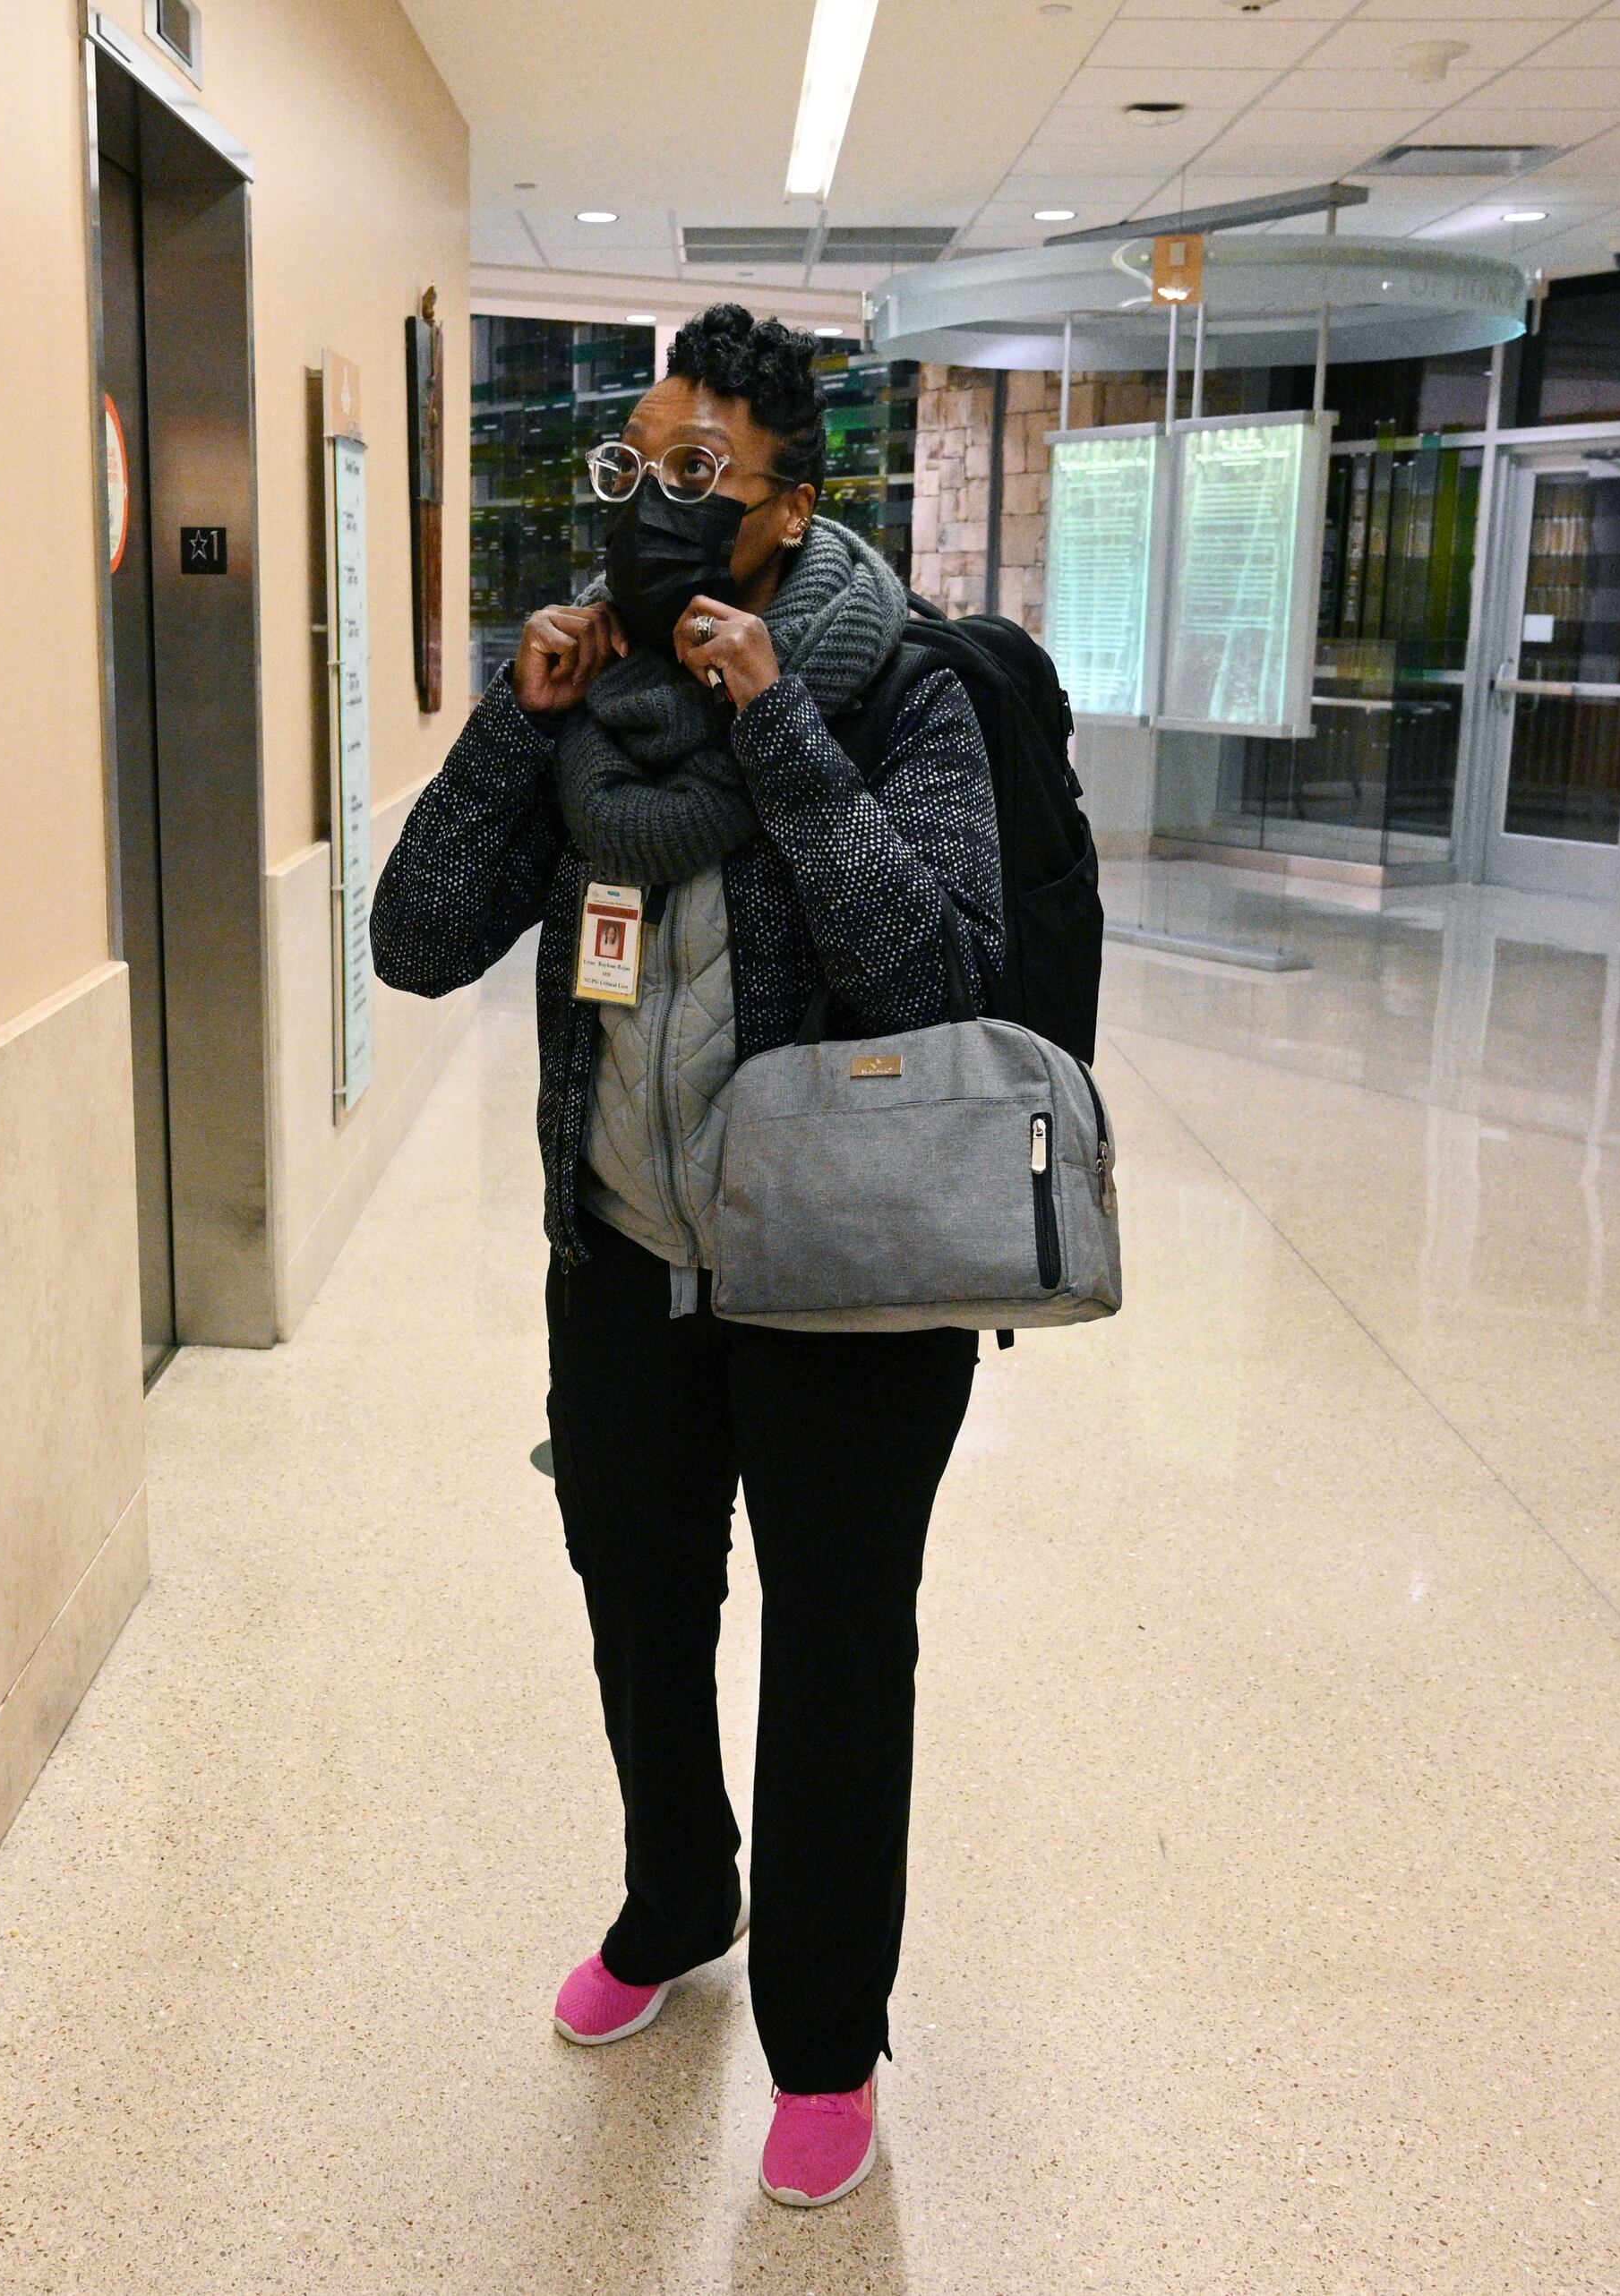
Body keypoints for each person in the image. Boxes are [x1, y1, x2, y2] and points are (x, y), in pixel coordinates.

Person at [371, 305, 1002, 2209]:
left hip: (849, 1283)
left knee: (832, 1648)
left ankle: (824, 2038)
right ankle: (675, 1896)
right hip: (628, 1260)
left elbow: (940, 970)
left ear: (790, 499)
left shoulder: (899, 685)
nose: (652, 505)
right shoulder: (587, 685)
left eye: (696, 473)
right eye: (628, 468)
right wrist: (518, 720)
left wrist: (773, 721)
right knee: (641, 1602)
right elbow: (414, 937)